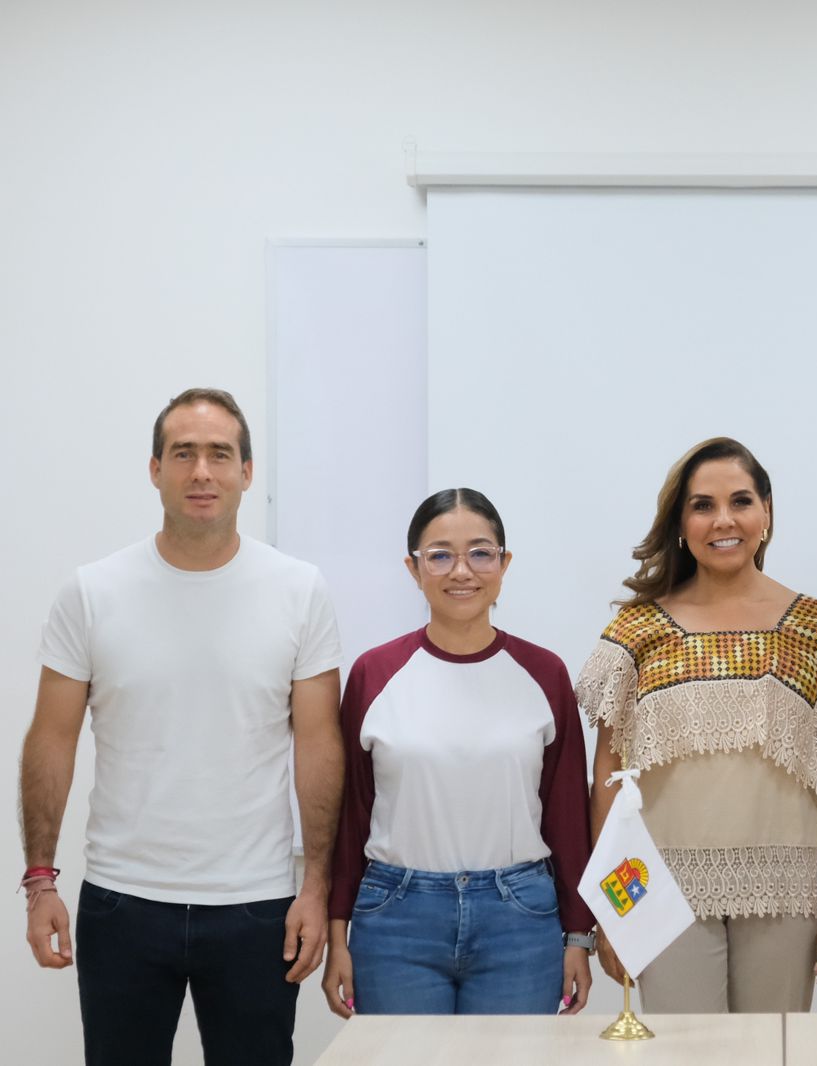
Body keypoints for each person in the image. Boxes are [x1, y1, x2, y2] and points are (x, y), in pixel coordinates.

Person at [19, 387, 343, 1066]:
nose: (202, 471)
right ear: (155, 468)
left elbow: (320, 745)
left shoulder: (298, 590)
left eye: (219, 454)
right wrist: (40, 879)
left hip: (257, 906)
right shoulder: (92, 592)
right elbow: (51, 738)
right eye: (184, 453)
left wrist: (316, 886)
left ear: (247, 472)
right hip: (122, 902)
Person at [577, 437, 817, 1013]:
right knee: (685, 1055)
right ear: (680, 522)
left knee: (771, 1053)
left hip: (788, 888)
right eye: (702, 505)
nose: (724, 520)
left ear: (766, 512)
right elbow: (608, 777)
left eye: (740, 501)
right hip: (656, 886)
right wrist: (609, 910)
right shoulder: (636, 631)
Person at [323, 488, 595, 1017]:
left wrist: (578, 935)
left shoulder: (545, 674)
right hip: (396, 920)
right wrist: (339, 934)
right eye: (440, 555)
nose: (461, 571)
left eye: (480, 552)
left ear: (504, 563)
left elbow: (565, 815)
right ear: (413, 568)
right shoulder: (374, 675)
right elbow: (351, 814)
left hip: (519, 922)